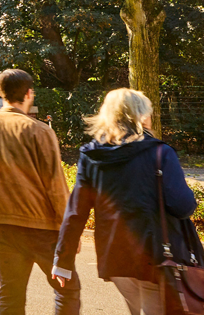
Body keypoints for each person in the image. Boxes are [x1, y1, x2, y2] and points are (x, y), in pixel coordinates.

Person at [53, 88, 201, 314]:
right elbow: (182, 206)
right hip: (155, 255)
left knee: (136, 307)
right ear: (140, 116)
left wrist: (62, 262)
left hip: (115, 258)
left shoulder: (92, 157)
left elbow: (76, 212)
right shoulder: (161, 153)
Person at [0, 69, 78, 315]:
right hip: (43, 229)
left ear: (1, 93)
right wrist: (68, 232)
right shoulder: (39, 131)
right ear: (29, 94)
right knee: (66, 289)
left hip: (3, 227)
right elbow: (56, 186)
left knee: (10, 296)